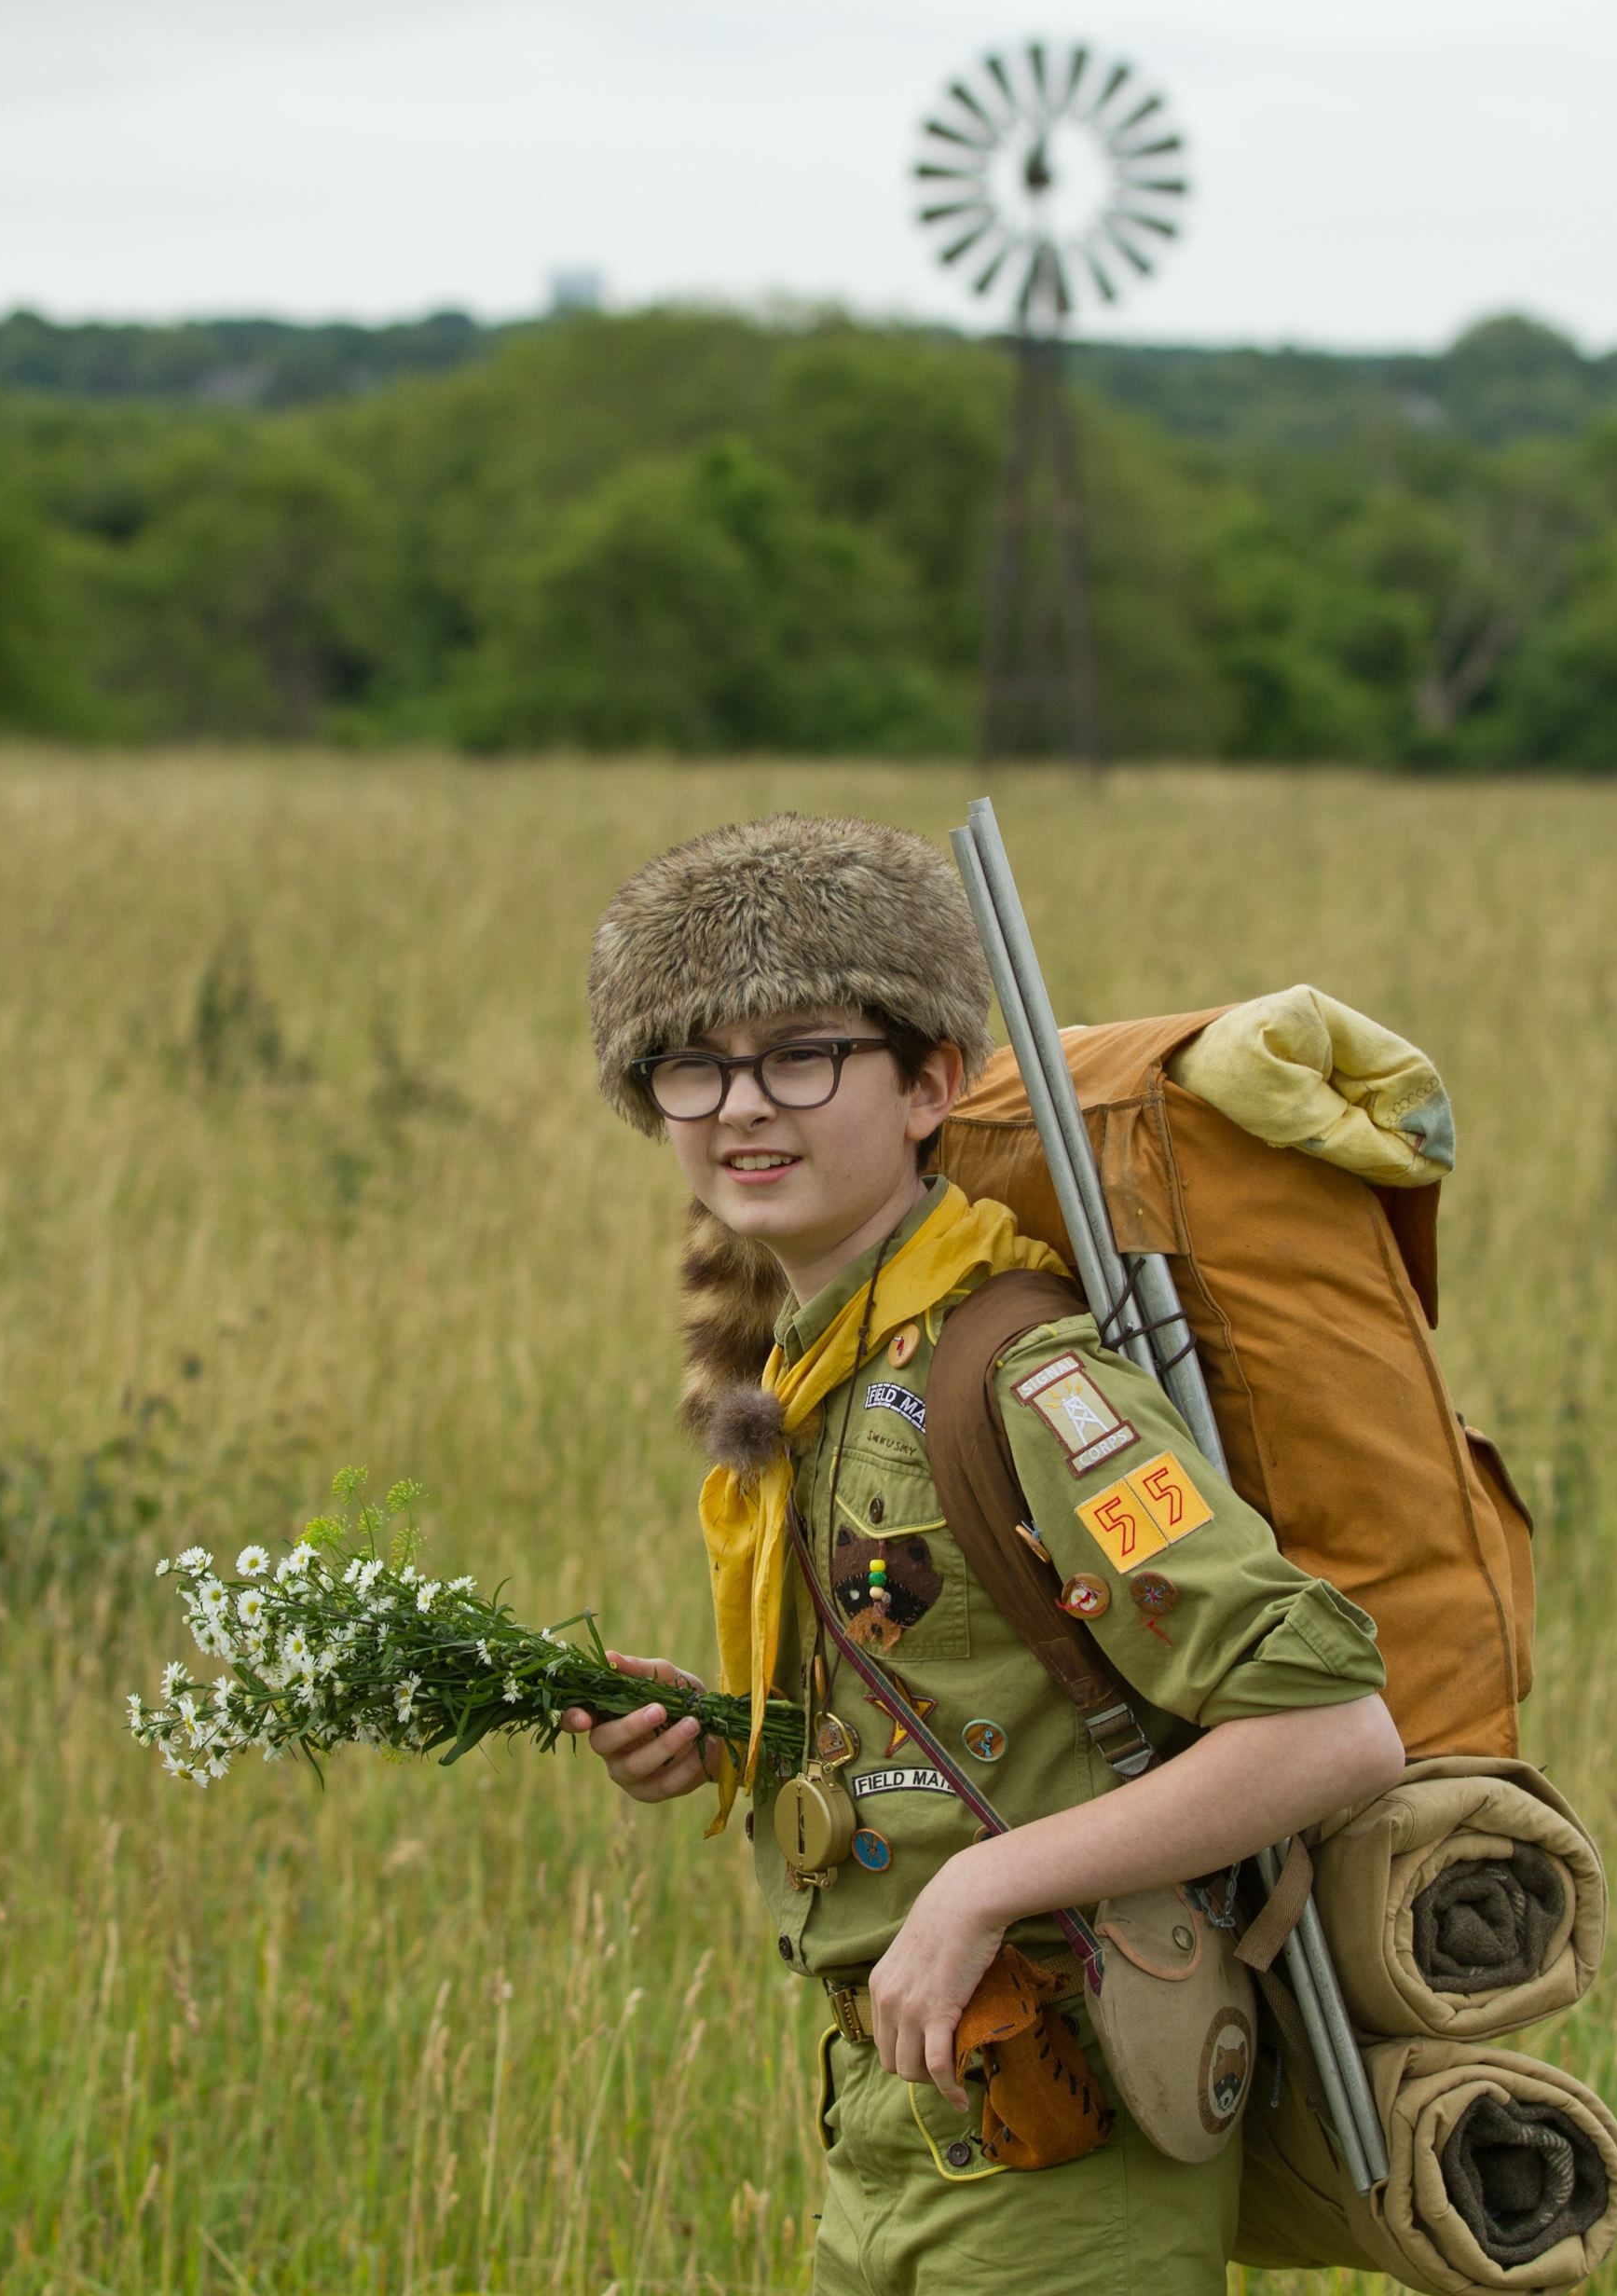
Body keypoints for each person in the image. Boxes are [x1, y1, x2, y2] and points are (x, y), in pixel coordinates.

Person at [566, 812, 1405, 2295]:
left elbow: (1332, 1731)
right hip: (888, 2127)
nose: (743, 1108)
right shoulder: (816, 1375)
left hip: (1070, 2134)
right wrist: (727, 1732)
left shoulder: (1025, 1382)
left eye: (803, 1054)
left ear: (929, 1085)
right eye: (695, 1064)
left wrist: (979, 1891)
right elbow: (953, 1687)